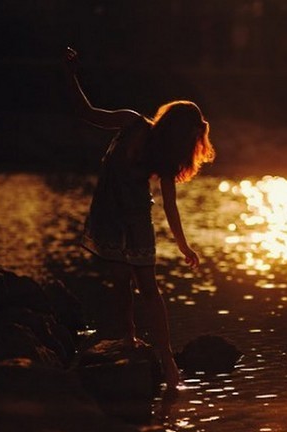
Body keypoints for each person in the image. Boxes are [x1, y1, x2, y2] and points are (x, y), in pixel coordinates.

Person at [64, 47, 215, 389]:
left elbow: (170, 206)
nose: (188, 143)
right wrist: (70, 75)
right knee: (120, 281)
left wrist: (184, 246)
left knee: (149, 288)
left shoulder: (165, 157)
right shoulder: (131, 122)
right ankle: (129, 337)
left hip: (136, 220)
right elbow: (87, 113)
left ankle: (168, 361)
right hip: (109, 213)